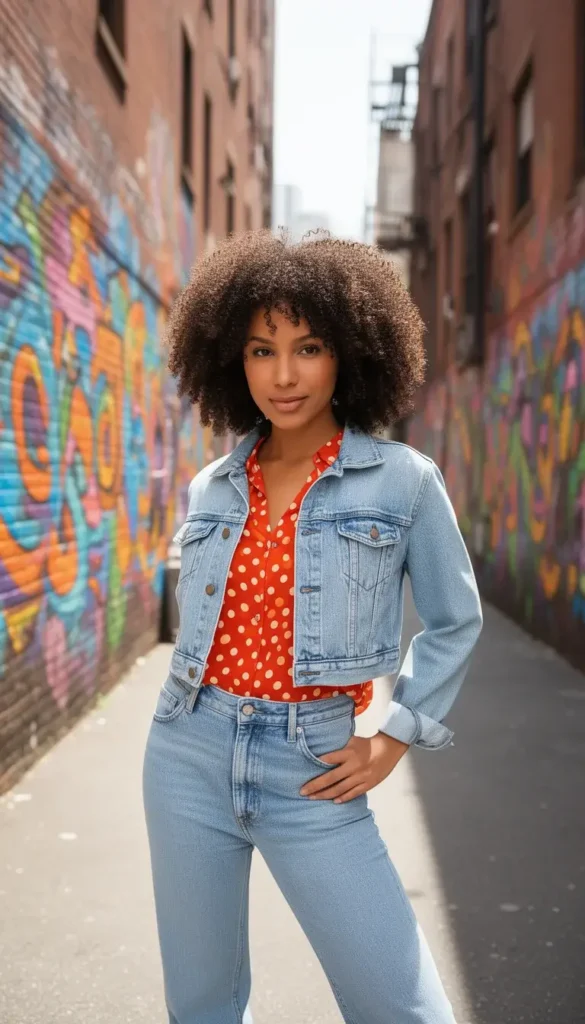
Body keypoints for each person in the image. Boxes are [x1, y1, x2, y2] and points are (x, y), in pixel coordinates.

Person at [142, 228, 483, 1024]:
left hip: (314, 764)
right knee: (202, 1008)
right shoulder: (212, 488)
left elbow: (452, 618)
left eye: (309, 346)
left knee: (404, 1009)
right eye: (262, 350)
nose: (285, 374)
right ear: (233, 359)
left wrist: (392, 736)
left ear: (351, 354)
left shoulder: (401, 481)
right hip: (186, 753)